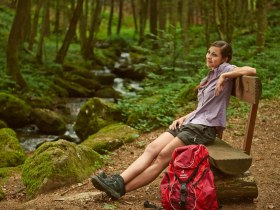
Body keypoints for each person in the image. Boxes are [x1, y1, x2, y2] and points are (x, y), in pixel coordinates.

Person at [91, 40, 257, 199]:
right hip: (192, 122)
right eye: (208, 52)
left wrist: (225, 75)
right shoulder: (209, 75)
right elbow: (204, 108)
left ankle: (121, 189)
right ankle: (117, 180)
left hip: (203, 129)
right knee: (152, 148)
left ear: (224, 59)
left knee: (162, 157)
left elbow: (252, 70)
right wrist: (184, 117)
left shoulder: (224, 70)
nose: (209, 56)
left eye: (214, 54)